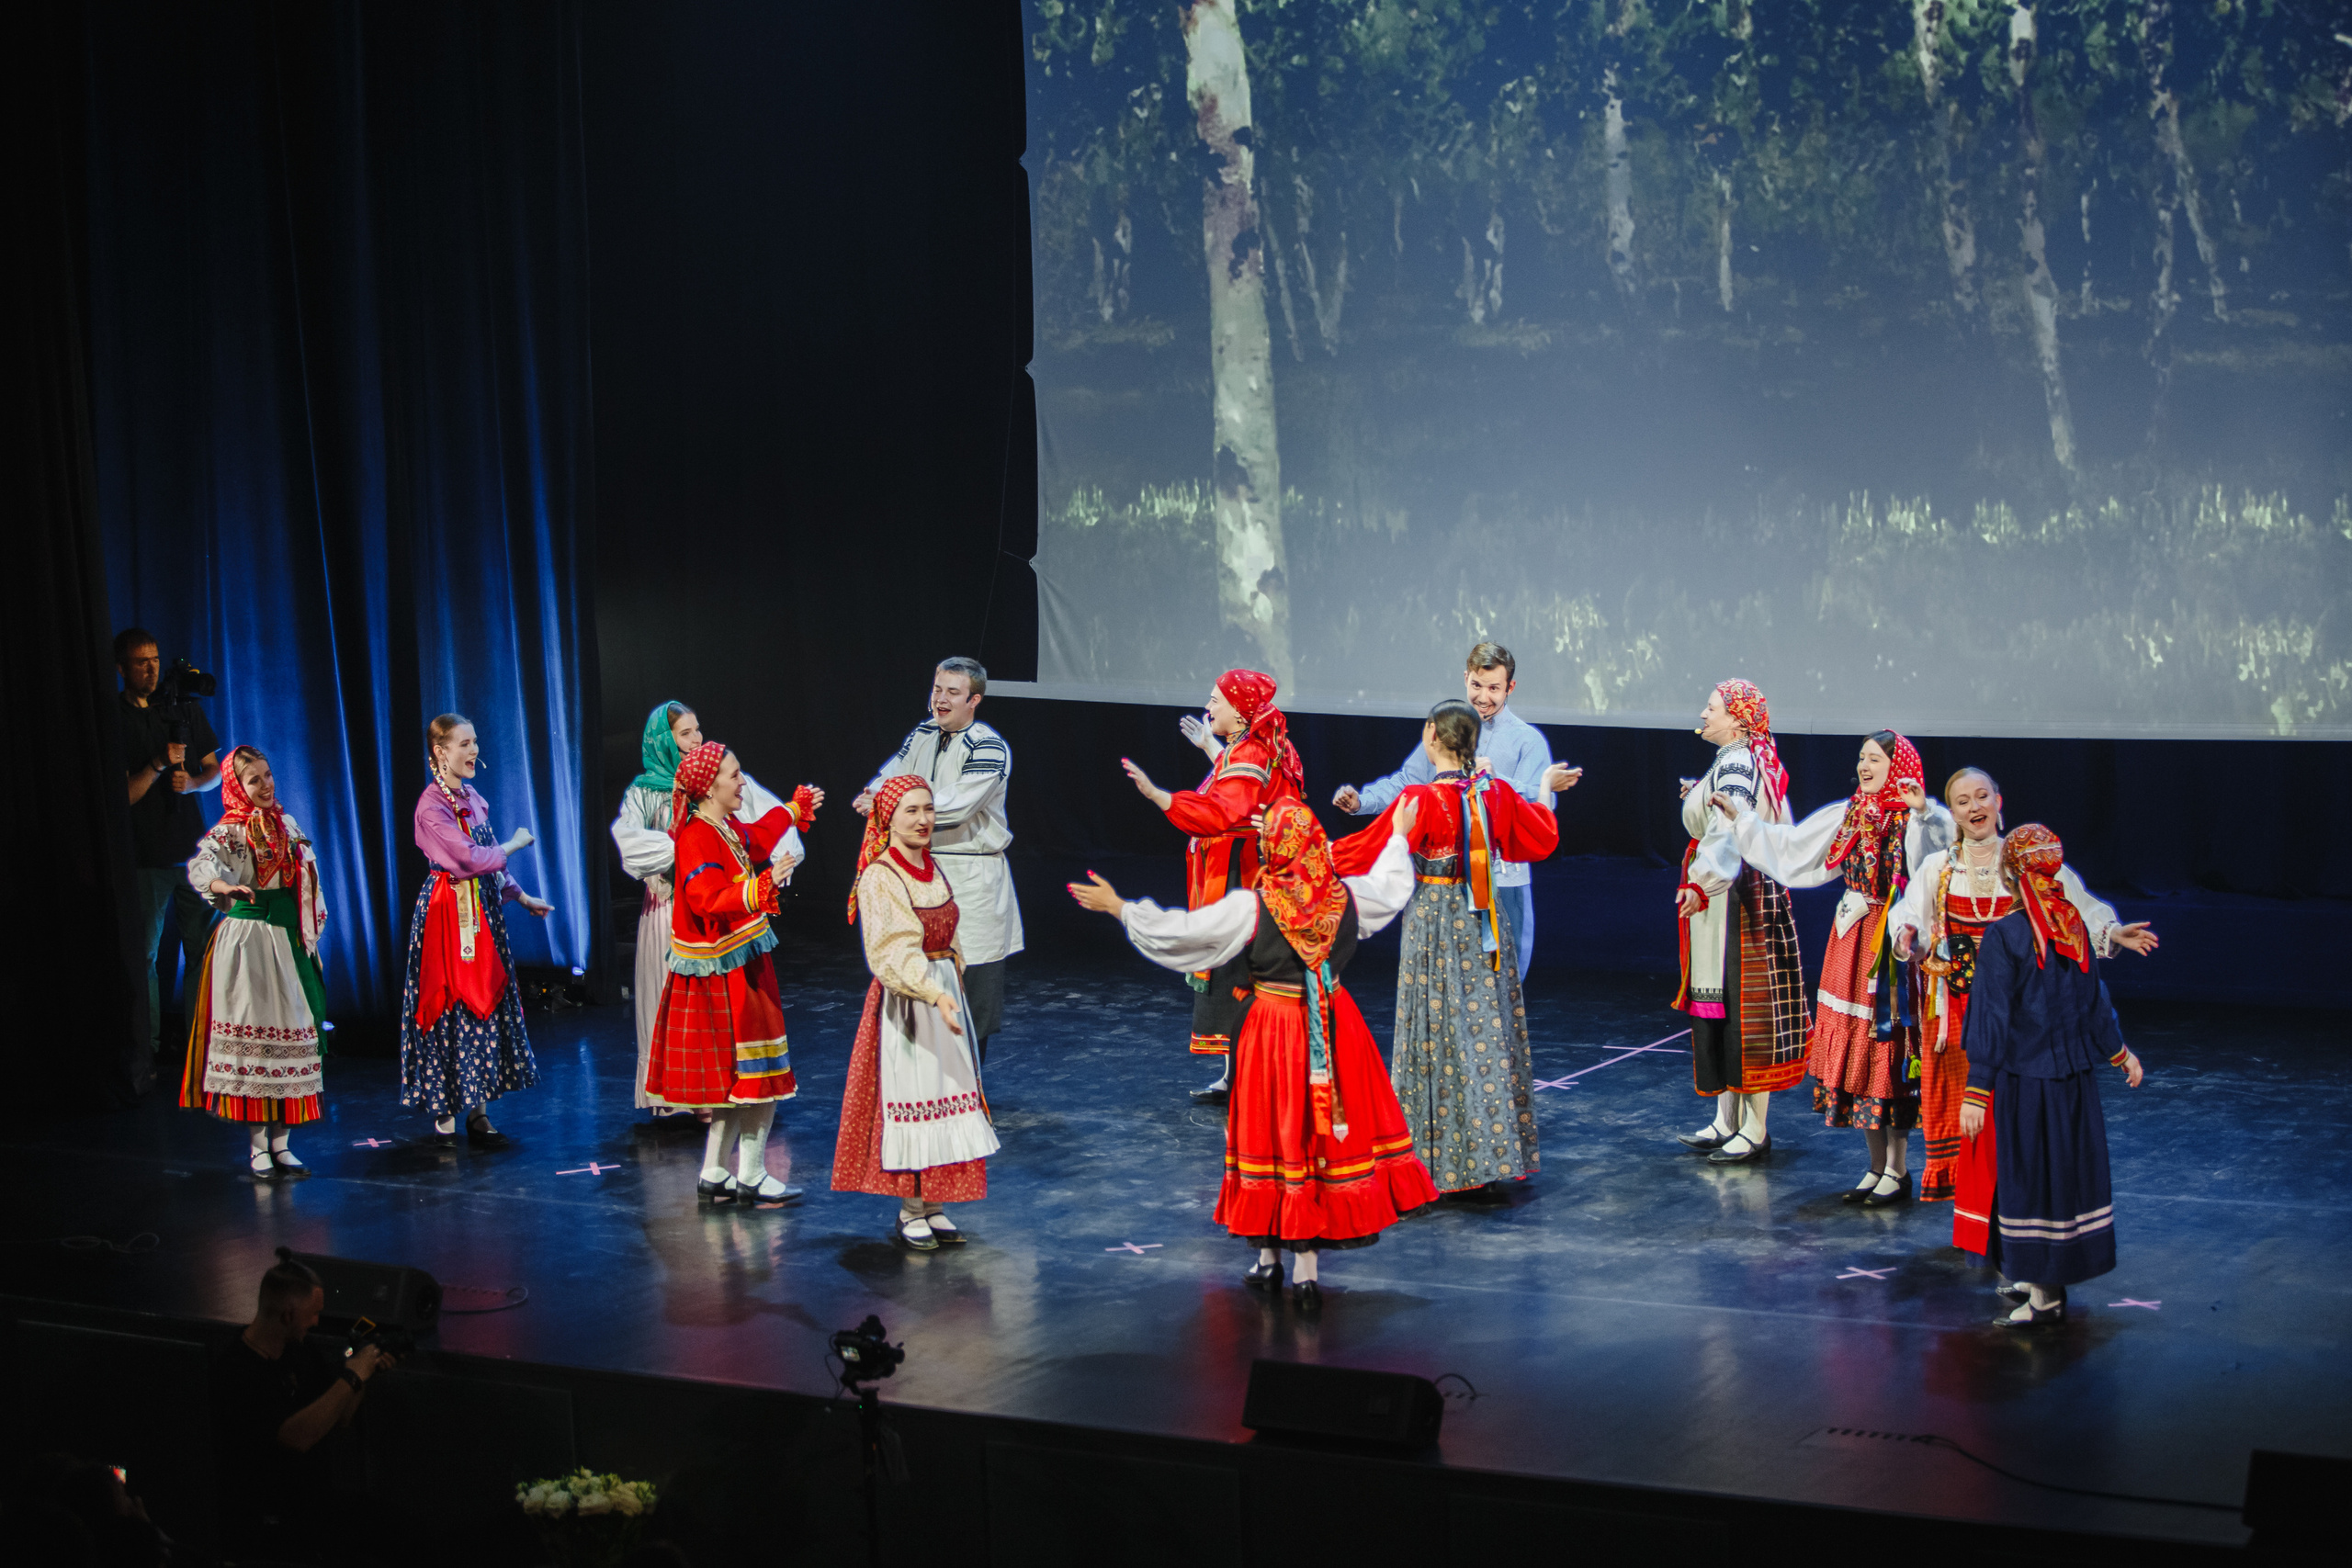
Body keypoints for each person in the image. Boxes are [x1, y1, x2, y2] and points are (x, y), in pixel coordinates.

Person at [1069, 798, 1439, 1314]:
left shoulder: (1254, 906)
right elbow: (1393, 887)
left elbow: (1185, 934)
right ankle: (1305, 1272)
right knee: (1313, 1135)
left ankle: (1270, 1259)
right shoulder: (1347, 898)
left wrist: (1121, 908)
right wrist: (1398, 835)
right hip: (1333, 1026)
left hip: (1275, 1028)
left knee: (1274, 1130)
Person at [1331, 699, 1578, 1200]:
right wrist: (1546, 793)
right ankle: (1488, 1157)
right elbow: (1541, 836)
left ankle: (1431, 1157)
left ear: (1431, 737)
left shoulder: (1421, 800)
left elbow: (1362, 851)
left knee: (1436, 1029)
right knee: (1485, 1026)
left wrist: (1295, 848)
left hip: (1435, 922)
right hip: (1484, 921)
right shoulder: (1495, 794)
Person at [1892, 768, 2156, 1227]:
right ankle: (1983, 1225)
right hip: (1958, 1017)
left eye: (1982, 797)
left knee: (2011, 1123)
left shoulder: (2026, 864)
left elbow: (2077, 909)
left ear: (1998, 800)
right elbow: (1909, 917)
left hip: (2021, 1016)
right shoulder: (1939, 867)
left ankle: (2018, 1217)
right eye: (1962, 801)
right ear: (1951, 812)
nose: (1974, 808)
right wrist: (1907, 938)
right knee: (1968, 1121)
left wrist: (2112, 931)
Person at [1715, 728, 1951, 1202]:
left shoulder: (1913, 817)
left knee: (1885, 1047)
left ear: (1897, 765)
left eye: (1875, 759)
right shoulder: (1850, 813)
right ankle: (1875, 1165)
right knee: (1857, 1057)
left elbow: (1935, 860)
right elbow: (1793, 847)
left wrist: (1923, 812)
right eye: (1861, 758)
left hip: (1891, 940)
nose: (1865, 767)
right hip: (1850, 940)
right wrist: (1743, 818)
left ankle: (1898, 1170)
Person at [1959, 826, 2147, 1326]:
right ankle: (2036, 1275)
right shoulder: (2073, 928)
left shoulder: (2006, 935)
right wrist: (2119, 1054)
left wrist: (1977, 1091)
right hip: (2073, 1083)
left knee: (2033, 1180)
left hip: (2027, 1082)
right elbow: (2095, 1005)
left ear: (2011, 875)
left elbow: (1992, 1017)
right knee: (2059, 1178)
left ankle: (2044, 1297)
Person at [643, 740, 820, 1208]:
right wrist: (761, 886)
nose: (742, 782)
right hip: (727, 973)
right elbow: (707, 898)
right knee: (757, 1071)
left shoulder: (720, 826)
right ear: (709, 786)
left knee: (732, 1080)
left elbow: (757, 838)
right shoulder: (697, 837)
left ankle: (715, 1170)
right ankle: (754, 1174)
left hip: (737, 961)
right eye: (735, 775)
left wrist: (792, 809)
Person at [1121, 667, 1306, 1104]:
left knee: (1237, 971)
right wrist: (1211, 745)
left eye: (1216, 702)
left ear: (1240, 715)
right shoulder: (1253, 746)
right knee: (1236, 971)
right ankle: (1238, 1075)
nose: (1208, 708)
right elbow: (1236, 786)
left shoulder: (1251, 754)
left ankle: (1248, 1078)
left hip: (1244, 876)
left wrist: (1160, 797)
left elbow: (1222, 812)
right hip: (1240, 871)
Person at [613, 700, 806, 1117]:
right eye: (685, 733)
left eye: (697, 730)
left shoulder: (715, 775)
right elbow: (630, 846)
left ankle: (710, 1093)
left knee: (710, 1007)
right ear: (664, 742)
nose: (695, 739)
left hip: (717, 914)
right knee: (669, 1001)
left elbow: (758, 823)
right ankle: (670, 1095)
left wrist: (786, 834)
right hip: (669, 909)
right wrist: (681, 849)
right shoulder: (645, 792)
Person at [1332, 641, 1568, 980]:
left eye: (1494, 688)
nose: (1483, 697)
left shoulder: (1526, 740)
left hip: (1503, 879)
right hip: (1451, 878)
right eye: (1476, 685)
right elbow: (1408, 782)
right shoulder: (1449, 728)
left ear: (1509, 688)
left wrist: (1494, 780)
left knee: (1505, 976)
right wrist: (1363, 802)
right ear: (1465, 679)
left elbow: (1537, 806)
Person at [835, 774, 1000, 1249]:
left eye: (928, 808)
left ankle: (934, 1204)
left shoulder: (931, 866)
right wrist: (932, 992)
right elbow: (892, 951)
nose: (923, 819)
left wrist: (954, 981)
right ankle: (910, 1208)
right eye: (911, 810)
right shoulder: (881, 876)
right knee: (916, 1094)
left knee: (948, 1093)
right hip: (908, 1002)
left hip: (943, 992)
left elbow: (950, 933)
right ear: (888, 817)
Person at [851, 658, 1022, 1062]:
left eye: (953, 693)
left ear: (974, 699)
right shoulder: (923, 733)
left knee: (973, 982)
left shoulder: (989, 746)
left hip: (970, 874)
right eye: (937, 689)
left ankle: (973, 1087)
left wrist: (888, 807)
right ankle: (931, 1082)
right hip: (923, 871)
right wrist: (875, 792)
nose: (940, 700)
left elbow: (957, 805)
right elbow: (892, 773)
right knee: (925, 971)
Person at [1669, 680, 1810, 1165]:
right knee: (1721, 1005)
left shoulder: (1737, 761)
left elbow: (1729, 829)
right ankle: (1727, 1121)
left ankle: (1753, 1127)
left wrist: (1701, 881)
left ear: (1737, 717)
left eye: (1711, 708)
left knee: (1745, 1009)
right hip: (1730, 891)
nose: (1703, 715)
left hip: (1739, 895)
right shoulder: (1738, 758)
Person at [398, 713, 552, 1148]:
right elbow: (467, 859)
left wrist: (522, 897)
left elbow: (487, 861)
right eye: (464, 743)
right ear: (440, 752)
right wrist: (514, 845)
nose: (474, 751)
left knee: (483, 998)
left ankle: (479, 1112)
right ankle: (445, 1118)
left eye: (475, 741)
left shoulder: (473, 797)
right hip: (449, 914)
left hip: (481, 912)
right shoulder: (431, 806)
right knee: (450, 1002)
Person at [180, 747, 328, 1179]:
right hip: (249, 944)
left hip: (288, 942)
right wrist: (223, 884)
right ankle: (257, 1147)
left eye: (267, 775)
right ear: (236, 787)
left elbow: (308, 877)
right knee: (257, 1039)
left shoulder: (289, 825)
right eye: (254, 780)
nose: (265, 786)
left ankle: (282, 1144)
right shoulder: (231, 831)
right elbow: (200, 865)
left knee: (292, 1032)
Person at [210, 1247, 397, 1559]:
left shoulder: (300, 1350)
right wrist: (350, 1379)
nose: (316, 1321)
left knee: (394, 1529)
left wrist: (364, 1377)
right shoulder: (238, 1370)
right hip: (272, 1523)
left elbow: (339, 1418)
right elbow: (296, 1437)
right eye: (312, 1314)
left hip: (314, 1505)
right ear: (287, 1314)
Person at [114, 628, 223, 1066]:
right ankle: (150, 1048)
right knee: (145, 956)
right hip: (146, 857)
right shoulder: (115, 718)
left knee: (202, 949)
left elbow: (215, 769)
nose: (151, 668)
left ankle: (202, 1047)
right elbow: (121, 795)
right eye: (141, 661)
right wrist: (158, 764)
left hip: (193, 853)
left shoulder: (182, 710)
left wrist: (193, 782)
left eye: (155, 658)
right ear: (122, 668)